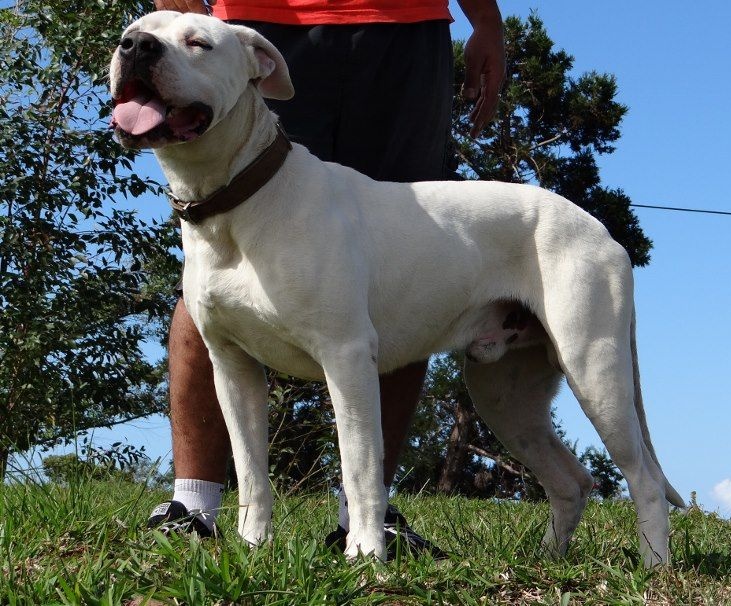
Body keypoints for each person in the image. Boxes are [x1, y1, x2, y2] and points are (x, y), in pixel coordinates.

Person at [146, 0, 505, 557]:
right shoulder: (230, 49)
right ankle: (193, 505)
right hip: (267, 17)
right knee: (214, 267)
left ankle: (365, 516)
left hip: (404, 29)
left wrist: (485, 20)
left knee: (405, 267)